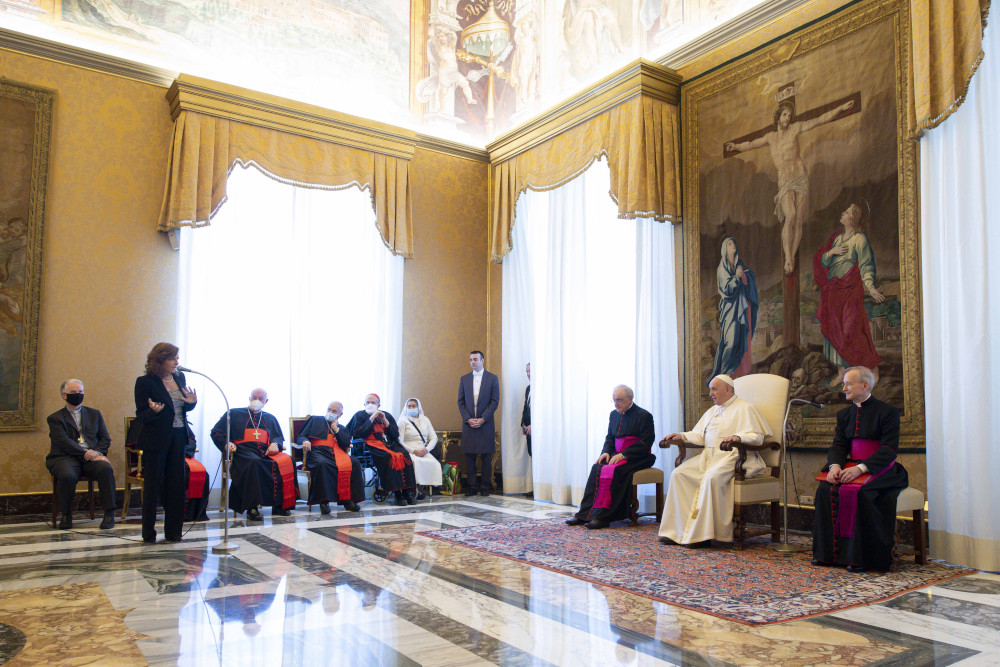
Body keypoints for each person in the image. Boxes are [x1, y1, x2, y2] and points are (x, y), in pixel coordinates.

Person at [725, 98, 855, 274]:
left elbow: (819, 120)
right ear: (778, 117)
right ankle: (787, 255)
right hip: (785, 180)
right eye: (785, 115)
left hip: (800, 176)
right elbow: (750, 144)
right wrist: (736, 146)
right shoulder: (770, 138)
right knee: (791, 215)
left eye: (789, 115)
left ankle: (790, 258)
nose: (788, 118)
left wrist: (840, 107)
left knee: (799, 220)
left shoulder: (796, 128)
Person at [812, 366, 907, 572]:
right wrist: (835, 466)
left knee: (862, 493)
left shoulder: (888, 412)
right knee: (825, 490)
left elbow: (889, 450)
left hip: (881, 468)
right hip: (850, 465)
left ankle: (863, 559)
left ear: (865, 385)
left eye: (848, 383)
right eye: (844, 383)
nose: (843, 388)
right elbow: (838, 445)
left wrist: (861, 469)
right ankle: (827, 555)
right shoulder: (844, 414)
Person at [658, 374, 772, 546]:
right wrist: (681, 435)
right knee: (679, 474)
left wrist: (738, 437)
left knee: (712, 478)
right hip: (708, 457)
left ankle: (705, 535)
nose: (710, 393)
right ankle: (676, 531)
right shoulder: (712, 411)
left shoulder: (745, 408)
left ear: (727, 389)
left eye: (714, 389)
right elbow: (699, 435)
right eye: (710, 389)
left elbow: (757, 438)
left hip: (734, 456)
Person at [813, 203, 884, 387]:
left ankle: (872, 369)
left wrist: (871, 287)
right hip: (833, 292)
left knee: (851, 330)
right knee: (833, 330)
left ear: (851, 218)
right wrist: (831, 252)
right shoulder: (837, 239)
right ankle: (841, 372)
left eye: (845, 212)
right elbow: (822, 260)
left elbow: (866, 265)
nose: (842, 214)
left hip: (850, 290)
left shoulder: (859, 240)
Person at [565, 385, 656, 529]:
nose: (616, 404)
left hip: (638, 457)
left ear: (630, 398)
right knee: (597, 468)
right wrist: (606, 452)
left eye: (619, 400)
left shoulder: (644, 415)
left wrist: (624, 454)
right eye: (614, 400)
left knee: (615, 472)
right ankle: (584, 515)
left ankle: (604, 517)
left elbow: (646, 442)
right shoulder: (614, 414)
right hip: (616, 456)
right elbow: (610, 438)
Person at [133, 342, 197, 543]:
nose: (177, 362)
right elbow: (141, 416)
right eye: (172, 359)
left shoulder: (180, 377)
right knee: (153, 486)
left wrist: (192, 403)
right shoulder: (145, 382)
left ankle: (174, 532)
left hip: (178, 437)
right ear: (160, 360)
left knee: (176, 485)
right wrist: (153, 411)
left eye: (177, 358)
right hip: (156, 440)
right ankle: (149, 534)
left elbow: (182, 409)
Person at [210, 388, 295, 521]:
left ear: (266, 401)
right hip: (242, 452)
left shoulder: (270, 418)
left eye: (260, 398)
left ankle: (280, 505)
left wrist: (275, 444)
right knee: (254, 463)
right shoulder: (234, 413)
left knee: (288, 461)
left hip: (266, 453)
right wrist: (227, 444)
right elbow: (216, 433)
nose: (257, 400)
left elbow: (278, 437)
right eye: (254, 397)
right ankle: (252, 507)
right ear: (249, 398)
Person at [45, 379, 116, 530]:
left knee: (105, 469)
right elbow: (63, 442)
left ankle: (109, 514)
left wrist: (96, 452)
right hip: (64, 457)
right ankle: (66, 515)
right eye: (73, 393)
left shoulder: (94, 414)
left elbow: (105, 438)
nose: (78, 395)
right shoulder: (55, 418)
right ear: (64, 395)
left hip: (92, 457)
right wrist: (87, 452)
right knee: (67, 476)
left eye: (80, 393)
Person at [347, 393, 416, 506]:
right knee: (389, 457)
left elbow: (394, 435)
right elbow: (361, 434)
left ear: (379, 404)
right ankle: (397, 493)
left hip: (387, 444)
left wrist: (384, 420)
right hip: (368, 447)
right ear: (364, 404)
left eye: (373, 402)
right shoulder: (359, 415)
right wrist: (372, 417)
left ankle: (408, 491)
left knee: (403, 454)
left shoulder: (386, 415)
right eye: (368, 402)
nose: (370, 404)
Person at [296, 401, 363, 514]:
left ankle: (348, 500)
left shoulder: (341, 427)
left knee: (354, 462)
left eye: (334, 411)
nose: (330, 412)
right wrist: (306, 441)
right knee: (322, 464)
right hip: (318, 453)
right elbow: (301, 436)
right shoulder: (315, 420)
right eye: (329, 409)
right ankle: (324, 502)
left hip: (337, 454)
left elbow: (346, 444)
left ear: (340, 415)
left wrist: (336, 429)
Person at [711, 238, 758, 379]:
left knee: (742, 339)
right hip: (730, 310)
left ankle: (741, 375)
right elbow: (726, 288)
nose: (733, 246)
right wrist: (737, 278)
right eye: (729, 244)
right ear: (724, 248)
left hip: (742, 309)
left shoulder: (739, 264)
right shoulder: (722, 268)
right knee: (730, 342)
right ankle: (725, 376)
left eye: (733, 243)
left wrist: (745, 276)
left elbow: (748, 277)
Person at [457, 350, 500, 496]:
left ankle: (485, 487)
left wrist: (483, 418)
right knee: (470, 457)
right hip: (469, 424)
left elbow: (494, 401)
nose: (472, 362)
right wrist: (468, 418)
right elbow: (460, 402)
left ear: (483, 360)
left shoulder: (492, 378)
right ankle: (472, 486)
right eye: (470, 360)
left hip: (485, 423)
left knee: (486, 457)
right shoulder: (464, 379)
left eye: (475, 359)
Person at [398, 397, 443, 495]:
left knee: (435, 463)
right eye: (409, 406)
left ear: (418, 407)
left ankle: (423, 488)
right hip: (409, 450)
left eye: (413, 406)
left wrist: (426, 450)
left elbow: (434, 438)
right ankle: (414, 489)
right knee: (415, 463)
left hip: (423, 449)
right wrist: (414, 451)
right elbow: (399, 441)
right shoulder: (402, 420)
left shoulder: (425, 419)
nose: (411, 408)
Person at [182, 423, 210, 521]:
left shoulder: (180, 421)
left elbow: (191, 440)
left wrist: (181, 450)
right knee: (182, 473)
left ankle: (196, 513)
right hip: (164, 458)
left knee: (203, 474)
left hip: (182, 456)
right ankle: (182, 513)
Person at [521, 362, 532, 457]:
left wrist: (534, 426)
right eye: (527, 371)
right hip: (529, 433)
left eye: (530, 371)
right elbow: (525, 408)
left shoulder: (544, 390)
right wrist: (523, 424)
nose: (528, 374)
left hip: (539, 434)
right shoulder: (528, 389)